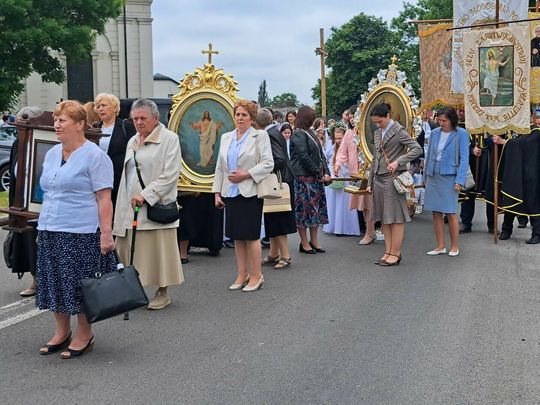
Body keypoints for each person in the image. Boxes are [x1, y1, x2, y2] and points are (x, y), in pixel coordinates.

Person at [35, 100, 116, 359]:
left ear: (80, 124)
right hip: (50, 227)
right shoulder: (52, 153)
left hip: (81, 231)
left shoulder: (95, 156)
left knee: (81, 284)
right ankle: (62, 332)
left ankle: (84, 333)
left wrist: (106, 234)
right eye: (56, 120)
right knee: (55, 281)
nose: (56, 125)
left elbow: (104, 198)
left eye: (62, 120)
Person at [113, 99, 183, 310]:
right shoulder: (132, 140)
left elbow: (170, 174)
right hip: (130, 206)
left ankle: (163, 292)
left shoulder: (169, 139)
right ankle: (132, 291)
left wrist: (146, 194)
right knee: (129, 250)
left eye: (143, 118)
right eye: (135, 118)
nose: (138, 122)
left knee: (159, 251)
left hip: (155, 206)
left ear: (156, 118)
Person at [213, 99, 274, 291]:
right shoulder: (226, 137)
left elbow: (268, 163)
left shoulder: (260, 136)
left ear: (252, 118)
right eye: (237, 114)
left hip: (250, 191)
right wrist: (216, 192)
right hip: (230, 192)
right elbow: (220, 167)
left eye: (244, 115)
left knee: (251, 235)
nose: (240, 118)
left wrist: (246, 174)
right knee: (237, 236)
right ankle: (242, 274)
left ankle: (257, 275)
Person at [367, 103, 422, 266]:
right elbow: (375, 158)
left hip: (393, 179)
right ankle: (388, 251)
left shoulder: (399, 131)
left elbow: (417, 149)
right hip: (378, 179)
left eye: (380, 121)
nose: (378, 125)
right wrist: (370, 181)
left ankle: (396, 253)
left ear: (388, 116)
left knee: (396, 218)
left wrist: (398, 162)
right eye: (375, 122)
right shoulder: (377, 133)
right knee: (384, 218)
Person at [423, 107, 470, 257]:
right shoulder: (435, 133)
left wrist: (460, 180)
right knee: (435, 212)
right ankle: (440, 246)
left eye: (444, 120)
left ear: (452, 120)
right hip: (433, 174)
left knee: (450, 212)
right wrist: (425, 177)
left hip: (450, 176)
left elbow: (464, 159)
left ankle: (454, 246)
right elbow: (429, 155)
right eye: (439, 120)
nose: (441, 123)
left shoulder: (461, 134)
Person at [255, 108, 296, 269]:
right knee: (272, 217)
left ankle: (285, 255)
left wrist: (261, 166)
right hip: (280, 180)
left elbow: (278, 160)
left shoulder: (269, 134)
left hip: (277, 182)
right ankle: (273, 253)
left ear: (256, 122)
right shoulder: (274, 131)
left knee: (278, 218)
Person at [290, 106, 330, 254]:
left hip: (314, 177)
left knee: (315, 211)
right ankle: (304, 242)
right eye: (312, 117)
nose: (314, 120)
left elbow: (321, 155)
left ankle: (314, 240)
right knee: (303, 212)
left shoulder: (310, 133)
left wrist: (326, 172)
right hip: (303, 178)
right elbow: (304, 157)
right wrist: (319, 173)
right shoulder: (298, 134)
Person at [335, 121, 375, 244]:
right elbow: (343, 152)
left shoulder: (370, 130)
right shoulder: (349, 133)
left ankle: (372, 231)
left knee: (372, 203)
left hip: (372, 172)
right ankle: (369, 231)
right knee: (364, 205)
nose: (353, 119)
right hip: (357, 174)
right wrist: (338, 164)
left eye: (355, 116)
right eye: (351, 117)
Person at [94, 93, 136, 208]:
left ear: (115, 108)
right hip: (97, 179)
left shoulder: (126, 126)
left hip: (118, 180)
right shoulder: (94, 128)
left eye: (104, 105)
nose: (100, 109)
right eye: (98, 106)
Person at [323, 125, 360, 236]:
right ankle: (335, 226)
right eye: (336, 138)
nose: (338, 141)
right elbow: (329, 160)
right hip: (335, 178)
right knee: (335, 204)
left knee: (345, 204)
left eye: (340, 138)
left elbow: (351, 162)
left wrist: (342, 170)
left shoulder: (349, 147)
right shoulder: (333, 148)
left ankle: (346, 227)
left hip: (346, 177)